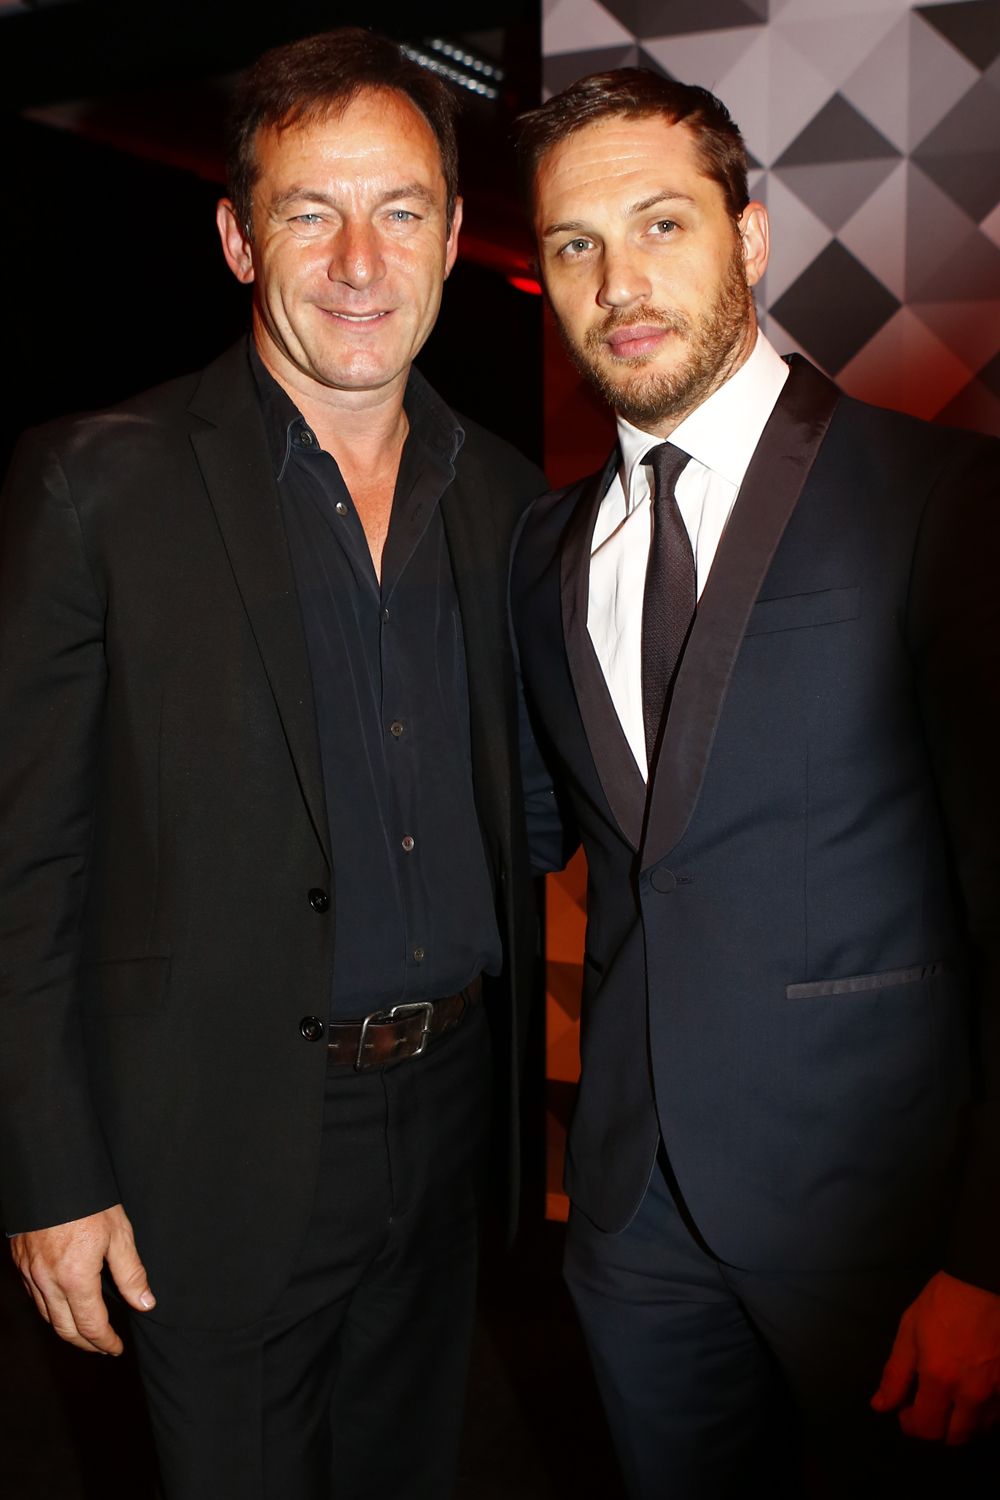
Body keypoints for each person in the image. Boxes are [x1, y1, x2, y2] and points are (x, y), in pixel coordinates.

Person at [0, 28, 546, 1500]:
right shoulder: (92, 483)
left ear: (447, 234)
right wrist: (49, 1174)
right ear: (240, 238)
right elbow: (21, 864)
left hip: (451, 1133)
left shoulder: (510, 500)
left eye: (404, 211)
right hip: (204, 1139)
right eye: (311, 210)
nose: (359, 261)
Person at [510, 67, 1000, 1498]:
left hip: (889, 1241)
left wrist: (988, 1254)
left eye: (661, 224)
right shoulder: (540, 560)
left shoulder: (942, 503)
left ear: (754, 232)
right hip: (630, 1235)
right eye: (574, 245)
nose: (620, 283)